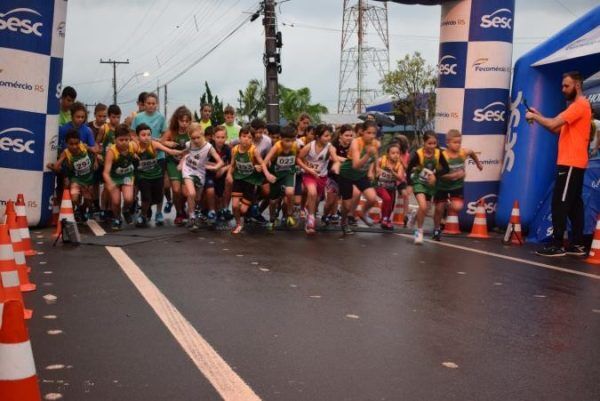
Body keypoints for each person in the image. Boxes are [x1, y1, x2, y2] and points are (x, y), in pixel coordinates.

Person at [526, 71, 593, 257]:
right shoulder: (578, 107)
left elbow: (553, 123)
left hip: (570, 162)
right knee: (573, 204)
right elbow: (557, 128)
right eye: (562, 85)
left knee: (560, 203)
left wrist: (535, 118)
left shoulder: (579, 106)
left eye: (566, 85)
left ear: (577, 86)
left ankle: (557, 244)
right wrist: (539, 116)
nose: (563, 89)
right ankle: (577, 244)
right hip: (575, 162)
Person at [432, 129, 483, 241]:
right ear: (448, 143)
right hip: (442, 186)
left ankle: (446, 205)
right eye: (455, 142)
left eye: (459, 142)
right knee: (439, 209)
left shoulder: (462, 153)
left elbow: (472, 153)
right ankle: (436, 229)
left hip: (457, 186)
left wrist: (478, 163)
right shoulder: (443, 156)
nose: (458, 145)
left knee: (457, 207)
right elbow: (438, 174)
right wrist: (453, 175)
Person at [134, 123, 182, 228]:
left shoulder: (153, 144)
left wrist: (183, 151)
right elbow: (126, 151)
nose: (146, 137)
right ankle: (143, 216)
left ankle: (148, 212)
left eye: (148, 134)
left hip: (156, 175)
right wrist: (133, 154)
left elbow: (170, 151)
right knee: (146, 197)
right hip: (143, 176)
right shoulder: (135, 145)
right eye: (143, 135)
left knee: (158, 198)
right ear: (138, 136)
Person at [406, 131, 449, 244]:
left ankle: (415, 214)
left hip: (430, 184)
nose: (432, 146)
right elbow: (408, 169)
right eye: (429, 143)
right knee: (424, 207)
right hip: (418, 182)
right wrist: (409, 184)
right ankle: (418, 232)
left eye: (434, 143)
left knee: (426, 208)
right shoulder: (418, 154)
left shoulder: (439, 154)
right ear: (424, 142)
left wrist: (435, 175)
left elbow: (446, 169)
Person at [338, 121, 381, 235]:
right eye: (368, 133)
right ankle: (343, 222)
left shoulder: (376, 143)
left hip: (360, 175)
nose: (371, 136)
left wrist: (376, 167)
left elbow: (375, 156)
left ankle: (362, 213)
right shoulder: (356, 143)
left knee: (372, 198)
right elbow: (356, 165)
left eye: (374, 133)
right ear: (362, 132)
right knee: (347, 206)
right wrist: (367, 154)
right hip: (347, 174)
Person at [178, 125, 224, 231]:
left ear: (202, 135)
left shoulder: (208, 147)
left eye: (198, 137)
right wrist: (181, 164)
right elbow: (185, 154)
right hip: (188, 169)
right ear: (190, 137)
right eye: (193, 138)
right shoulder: (189, 144)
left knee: (197, 198)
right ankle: (192, 217)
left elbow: (220, 162)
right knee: (191, 193)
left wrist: (215, 167)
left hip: (200, 172)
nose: (196, 140)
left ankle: (195, 212)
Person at [131, 93, 168, 225]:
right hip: (142, 157)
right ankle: (143, 212)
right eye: (148, 103)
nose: (151, 106)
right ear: (144, 104)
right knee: (144, 184)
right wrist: (138, 145)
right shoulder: (138, 117)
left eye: (154, 103)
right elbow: (132, 134)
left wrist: (158, 142)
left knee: (160, 186)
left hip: (158, 157)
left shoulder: (161, 117)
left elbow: (165, 135)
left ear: (157, 104)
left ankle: (159, 212)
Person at [296, 124, 339, 234]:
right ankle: (310, 221)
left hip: (322, 177)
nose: (329, 138)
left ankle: (310, 212)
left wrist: (336, 165)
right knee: (312, 193)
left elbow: (335, 158)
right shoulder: (309, 146)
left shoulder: (330, 147)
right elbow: (299, 159)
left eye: (329, 136)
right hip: (309, 175)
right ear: (318, 137)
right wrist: (308, 169)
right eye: (326, 136)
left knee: (316, 200)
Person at [46, 129, 97, 221]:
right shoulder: (66, 153)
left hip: (88, 179)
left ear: (79, 142)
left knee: (89, 201)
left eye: (76, 143)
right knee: (74, 197)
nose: (74, 146)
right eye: (71, 144)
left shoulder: (84, 146)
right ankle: (76, 210)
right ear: (66, 143)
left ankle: (82, 210)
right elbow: (57, 165)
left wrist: (96, 162)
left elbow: (95, 151)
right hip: (76, 179)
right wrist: (52, 166)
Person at [227, 127, 265, 234]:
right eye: (244, 136)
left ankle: (242, 216)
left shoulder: (253, 150)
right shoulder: (234, 150)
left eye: (249, 137)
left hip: (250, 182)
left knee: (243, 209)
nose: (246, 139)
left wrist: (259, 167)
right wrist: (229, 174)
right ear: (239, 137)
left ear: (252, 140)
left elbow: (261, 164)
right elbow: (232, 165)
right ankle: (239, 223)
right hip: (238, 179)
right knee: (234, 205)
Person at [262, 125, 300, 229]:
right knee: (273, 201)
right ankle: (272, 219)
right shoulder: (277, 147)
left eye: (292, 140)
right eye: (287, 141)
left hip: (289, 172)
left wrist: (300, 166)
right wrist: (268, 175)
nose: (289, 144)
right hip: (275, 175)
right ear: (281, 139)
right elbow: (264, 163)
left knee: (290, 192)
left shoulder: (295, 146)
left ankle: (289, 214)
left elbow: (299, 157)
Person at [161, 106, 192, 225]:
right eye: (181, 121)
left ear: (190, 121)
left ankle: (182, 205)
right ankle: (179, 213)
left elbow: (199, 143)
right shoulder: (171, 131)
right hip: (172, 162)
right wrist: (169, 143)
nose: (184, 124)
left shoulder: (191, 132)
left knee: (184, 192)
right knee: (176, 189)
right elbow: (161, 143)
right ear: (176, 120)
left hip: (187, 164)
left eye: (186, 121)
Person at [103, 124, 137, 230]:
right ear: (115, 139)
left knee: (128, 199)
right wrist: (110, 182)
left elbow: (143, 147)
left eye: (126, 139)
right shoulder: (111, 152)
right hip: (114, 178)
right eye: (121, 140)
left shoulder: (133, 146)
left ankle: (126, 210)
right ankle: (117, 218)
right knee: (116, 201)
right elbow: (105, 172)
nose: (124, 142)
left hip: (127, 175)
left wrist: (136, 156)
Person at [323, 124, 354, 225]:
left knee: (345, 201)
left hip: (346, 177)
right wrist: (346, 160)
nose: (349, 138)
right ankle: (325, 215)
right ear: (340, 135)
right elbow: (332, 157)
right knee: (330, 201)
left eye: (351, 135)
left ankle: (340, 217)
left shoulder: (353, 146)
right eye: (346, 135)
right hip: (332, 176)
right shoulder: (334, 144)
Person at [206, 125, 233, 223]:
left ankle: (224, 209)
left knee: (226, 187)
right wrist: (215, 167)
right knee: (210, 190)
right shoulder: (209, 148)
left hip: (222, 174)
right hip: (210, 174)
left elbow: (232, 163)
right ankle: (211, 211)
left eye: (222, 137)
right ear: (213, 137)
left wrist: (223, 169)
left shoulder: (227, 149)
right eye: (218, 137)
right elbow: (203, 162)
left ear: (226, 138)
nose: (220, 140)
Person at [375, 143, 405, 230]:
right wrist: (377, 170)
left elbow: (400, 178)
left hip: (391, 187)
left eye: (398, 153)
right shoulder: (382, 160)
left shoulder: (399, 165)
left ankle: (386, 219)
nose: (396, 155)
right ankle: (384, 219)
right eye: (393, 153)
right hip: (380, 185)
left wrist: (392, 171)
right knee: (387, 199)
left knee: (391, 205)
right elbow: (375, 166)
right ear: (388, 154)